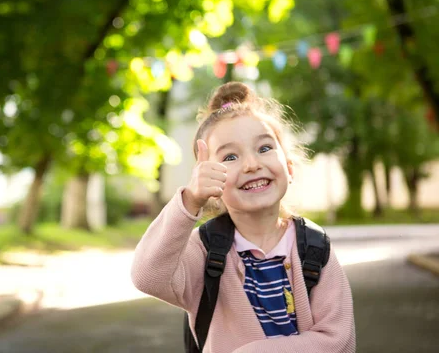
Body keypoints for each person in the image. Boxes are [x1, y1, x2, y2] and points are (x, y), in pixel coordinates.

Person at [131, 81, 355, 352]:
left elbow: (337, 339)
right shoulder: (204, 251)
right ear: (212, 183)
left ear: (290, 168)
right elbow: (147, 276)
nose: (251, 164)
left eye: (263, 149)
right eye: (230, 157)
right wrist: (190, 200)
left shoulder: (315, 248)